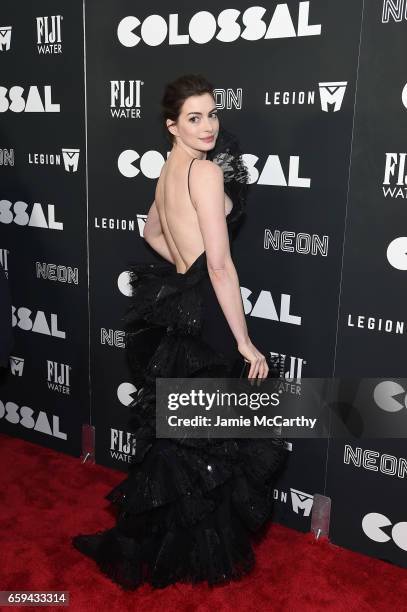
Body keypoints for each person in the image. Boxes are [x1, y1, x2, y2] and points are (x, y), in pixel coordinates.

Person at [72, 74, 289, 590]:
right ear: (173, 125)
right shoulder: (206, 174)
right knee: (204, 436)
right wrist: (243, 340)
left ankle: (167, 543)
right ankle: (192, 551)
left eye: (213, 114)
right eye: (194, 117)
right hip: (210, 312)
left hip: (181, 308)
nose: (208, 125)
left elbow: (151, 232)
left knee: (180, 435)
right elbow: (220, 266)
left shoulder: (169, 168)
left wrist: (183, 271)